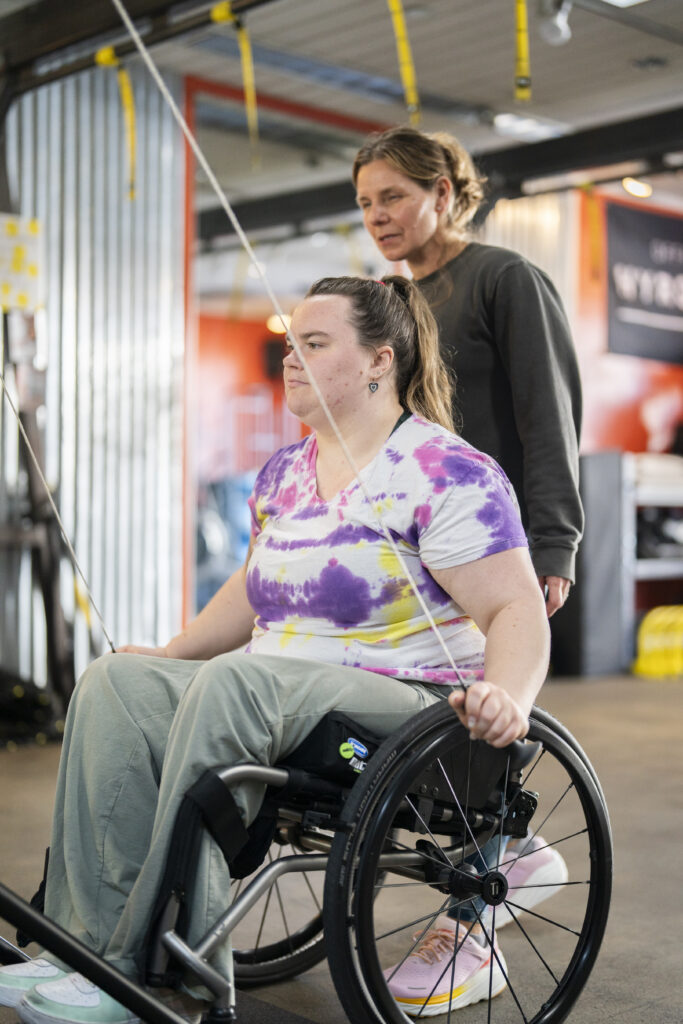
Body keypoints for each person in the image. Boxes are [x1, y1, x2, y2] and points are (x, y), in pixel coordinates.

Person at [0, 276, 550, 1024]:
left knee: (237, 684)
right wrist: (169, 653)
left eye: (314, 345)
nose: (290, 358)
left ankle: (146, 968)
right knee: (115, 683)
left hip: (404, 707)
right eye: (289, 344)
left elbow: (516, 604)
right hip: (274, 691)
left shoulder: (445, 471)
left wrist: (508, 698)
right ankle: (81, 948)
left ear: (377, 362)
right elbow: (255, 586)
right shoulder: (285, 472)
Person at [353, 126, 584, 618]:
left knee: (496, 689)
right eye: (366, 202)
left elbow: (548, 418)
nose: (377, 216)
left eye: (392, 197)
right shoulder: (390, 304)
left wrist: (554, 543)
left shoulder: (504, 278)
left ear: (441, 192)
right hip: (414, 532)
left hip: (494, 534)